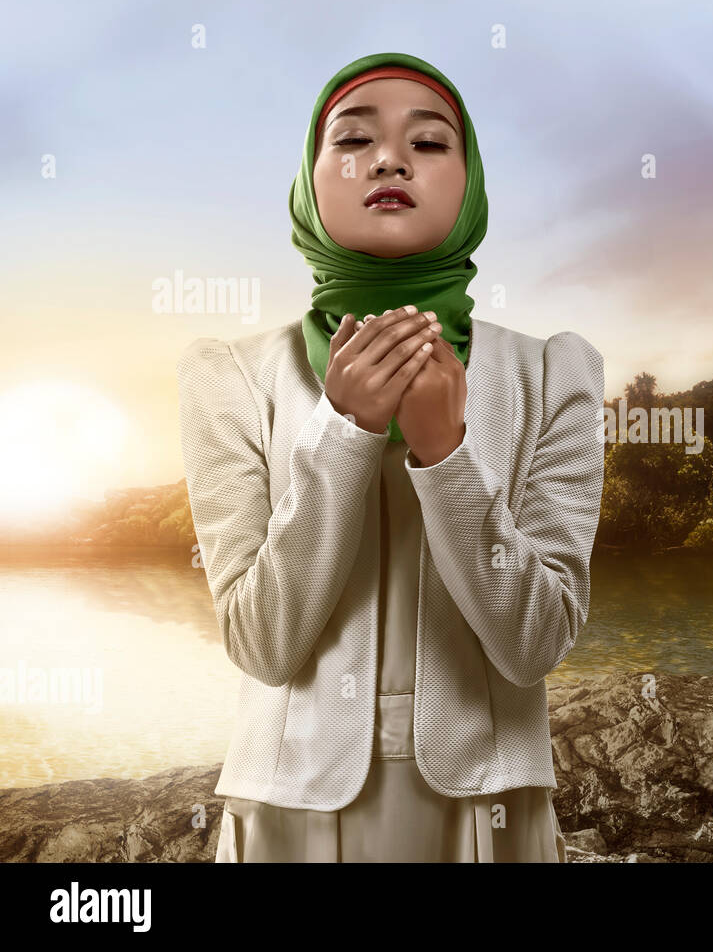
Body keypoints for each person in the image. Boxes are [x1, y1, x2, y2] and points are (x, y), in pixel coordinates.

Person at [176, 51, 605, 862]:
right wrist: (345, 429)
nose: (389, 159)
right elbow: (263, 644)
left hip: (491, 817)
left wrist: (446, 455)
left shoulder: (553, 372)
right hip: (286, 817)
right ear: (309, 184)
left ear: (471, 186)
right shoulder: (228, 376)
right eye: (352, 138)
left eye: (431, 142)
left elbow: (535, 645)